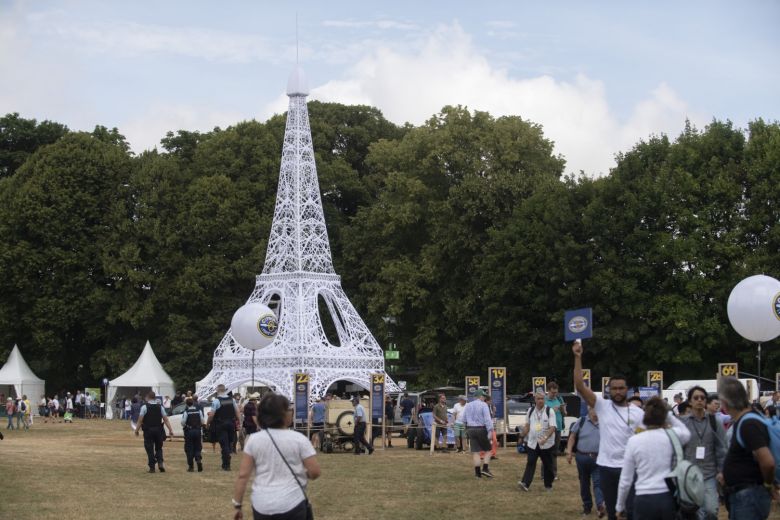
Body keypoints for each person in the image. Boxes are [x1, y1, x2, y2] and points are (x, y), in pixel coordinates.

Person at [573, 340, 645, 520]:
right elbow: (580, 386)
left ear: (627, 390)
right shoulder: (602, 406)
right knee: (612, 512)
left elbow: (644, 442)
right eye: (614, 388)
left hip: (629, 468)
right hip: (606, 468)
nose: (618, 391)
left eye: (621, 388)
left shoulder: (638, 413)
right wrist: (577, 357)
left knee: (631, 511)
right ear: (609, 390)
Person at [231, 393, 321, 520]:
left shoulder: (254, 440)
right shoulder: (299, 439)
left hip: (262, 504)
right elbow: (315, 472)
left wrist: (238, 505)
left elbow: (243, 476)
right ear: (284, 414)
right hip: (293, 502)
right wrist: (299, 473)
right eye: (289, 409)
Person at [615, 396, 691, 520]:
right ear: (663, 418)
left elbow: (626, 480)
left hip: (643, 497)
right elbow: (686, 433)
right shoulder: (671, 435)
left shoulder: (634, 441)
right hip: (666, 495)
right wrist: (669, 415)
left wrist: (619, 506)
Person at [718, 376, 777, 519]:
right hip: (746, 495)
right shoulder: (748, 420)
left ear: (725, 403)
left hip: (748, 497)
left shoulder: (748, 424)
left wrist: (768, 485)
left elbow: (767, 462)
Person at [679, 385, 727, 520]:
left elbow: (721, 448)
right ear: (690, 401)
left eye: (702, 398)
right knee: (695, 512)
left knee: (712, 510)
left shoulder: (714, 421)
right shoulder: (683, 423)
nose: (699, 400)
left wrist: (721, 470)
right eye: (696, 398)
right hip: (690, 475)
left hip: (709, 474)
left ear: (705, 401)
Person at [567, 406, 605, 517]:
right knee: (584, 483)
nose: (596, 412)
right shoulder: (581, 421)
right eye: (594, 409)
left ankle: (600, 506)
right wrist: (569, 452)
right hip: (582, 457)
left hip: (598, 458)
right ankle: (587, 506)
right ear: (589, 409)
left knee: (598, 483)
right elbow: (572, 437)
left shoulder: (605, 423)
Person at [518, 391, 557, 492]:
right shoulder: (530, 411)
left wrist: (545, 437)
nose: (540, 401)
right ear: (535, 399)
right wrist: (521, 436)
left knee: (548, 465)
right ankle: (525, 483)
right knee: (530, 462)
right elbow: (527, 426)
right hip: (533, 443)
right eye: (538, 399)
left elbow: (552, 427)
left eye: (542, 399)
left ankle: (548, 485)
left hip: (546, 444)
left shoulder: (550, 411)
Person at [134, 391, 175, 473]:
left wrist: (136, 430)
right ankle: (160, 463)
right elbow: (166, 420)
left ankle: (152, 467)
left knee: (149, 448)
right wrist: (170, 430)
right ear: (154, 398)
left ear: (148, 397)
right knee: (159, 448)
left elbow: (140, 420)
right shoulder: (160, 407)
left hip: (148, 430)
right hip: (158, 430)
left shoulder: (144, 407)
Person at [206, 384, 242, 471]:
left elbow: (211, 415)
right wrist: (239, 423)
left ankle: (226, 464)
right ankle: (226, 461)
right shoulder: (232, 400)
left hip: (221, 424)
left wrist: (207, 423)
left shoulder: (216, 401)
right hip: (231, 424)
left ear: (217, 390)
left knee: (224, 444)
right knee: (229, 443)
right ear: (225, 390)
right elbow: (237, 412)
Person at [462, 389, 494, 478]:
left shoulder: (468, 405)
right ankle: (485, 468)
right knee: (488, 450)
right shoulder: (483, 405)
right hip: (481, 428)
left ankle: (477, 474)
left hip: (470, 429)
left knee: (475, 452)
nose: (484, 398)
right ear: (480, 396)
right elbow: (487, 419)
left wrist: (466, 429)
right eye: (484, 396)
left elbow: (463, 419)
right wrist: (490, 430)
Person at [545, 382, 566, 479]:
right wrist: (552, 409)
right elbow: (542, 414)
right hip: (548, 429)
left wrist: (562, 409)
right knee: (546, 451)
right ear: (548, 391)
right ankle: (545, 473)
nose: (555, 394)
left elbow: (564, 414)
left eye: (556, 392)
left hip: (558, 428)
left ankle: (554, 473)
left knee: (555, 452)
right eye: (553, 392)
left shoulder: (559, 399)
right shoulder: (544, 400)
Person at [181, 398, 204, 472]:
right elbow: (202, 421)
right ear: (193, 403)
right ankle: (198, 460)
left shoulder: (186, 411)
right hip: (197, 431)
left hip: (189, 431)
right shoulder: (198, 410)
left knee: (189, 448)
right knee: (197, 447)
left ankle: (191, 467)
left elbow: (183, 422)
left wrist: (185, 425)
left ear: (187, 404)